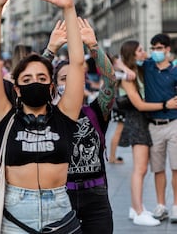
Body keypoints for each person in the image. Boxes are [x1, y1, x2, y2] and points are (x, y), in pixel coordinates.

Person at [0, 0, 84, 232]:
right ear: (16, 88)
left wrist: (69, 10)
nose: (35, 83)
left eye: (42, 78)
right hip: (16, 214)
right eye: (26, 80)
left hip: (60, 211)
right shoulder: (6, 119)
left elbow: (76, 63)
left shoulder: (65, 117)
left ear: (52, 86)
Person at [51, 17, 116, 233]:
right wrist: (50, 49)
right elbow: (28, 85)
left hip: (96, 196)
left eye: (75, 78)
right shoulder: (47, 115)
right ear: (53, 85)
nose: (69, 84)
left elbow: (110, 82)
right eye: (63, 79)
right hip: (60, 197)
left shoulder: (97, 111)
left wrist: (94, 47)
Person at [118, 39, 177, 226]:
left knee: (152, 168)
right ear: (133, 54)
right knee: (142, 169)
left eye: (148, 49)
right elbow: (139, 104)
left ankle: (137, 207)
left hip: (155, 122)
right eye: (142, 50)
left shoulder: (143, 69)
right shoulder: (129, 76)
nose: (147, 52)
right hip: (140, 122)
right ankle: (139, 210)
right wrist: (165, 105)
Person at [141, 34, 177, 222]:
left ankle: (176, 206)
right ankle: (161, 205)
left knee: (176, 167)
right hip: (154, 125)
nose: (156, 51)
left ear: (168, 49)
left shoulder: (175, 71)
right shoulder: (147, 67)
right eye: (153, 48)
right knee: (158, 169)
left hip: (174, 124)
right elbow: (121, 62)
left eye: (160, 48)